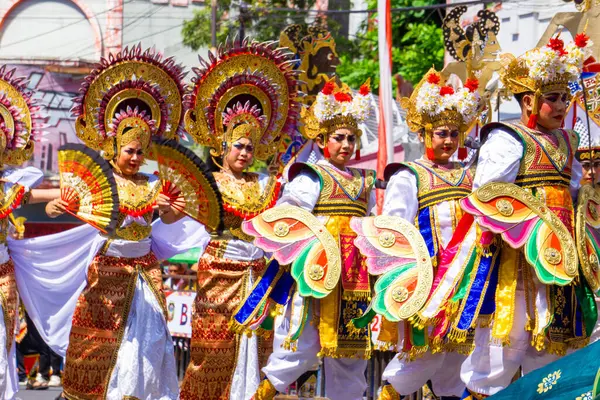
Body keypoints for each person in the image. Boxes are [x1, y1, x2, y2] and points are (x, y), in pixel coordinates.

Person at [9, 45, 208, 400]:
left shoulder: (153, 183)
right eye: (129, 150)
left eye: (140, 151)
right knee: (103, 347)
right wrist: (56, 206)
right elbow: (82, 207)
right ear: (114, 148)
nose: (134, 157)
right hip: (107, 272)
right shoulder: (102, 182)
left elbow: (170, 217)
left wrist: (174, 207)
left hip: (146, 273)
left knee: (150, 343)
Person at [459, 33, 597, 398]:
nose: (562, 105)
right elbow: (486, 195)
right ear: (528, 101)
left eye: (565, 98)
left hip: (562, 260)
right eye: (552, 99)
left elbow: (574, 194)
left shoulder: (568, 142)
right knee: (506, 344)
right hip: (515, 259)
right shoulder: (507, 138)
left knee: (556, 344)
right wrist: (531, 222)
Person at [178, 37, 300, 400]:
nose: (245, 153)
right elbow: (186, 213)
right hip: (220, 272)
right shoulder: (208, 182)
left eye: (250, 146)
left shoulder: (266, 184)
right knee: (212, 352)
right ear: (223, 146)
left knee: (257, 349)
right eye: (238, 146)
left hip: (258, 275)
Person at [251, 80, 376, 400]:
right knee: (301, 348)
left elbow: (373, 224)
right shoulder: (311, 175)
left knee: (350, 357)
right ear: (322, 140)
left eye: (351, 138)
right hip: (317, 274)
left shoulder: (365, 179)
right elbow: (288, 220)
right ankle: (259, 395)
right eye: (339, 138)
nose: (346, 144)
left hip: (355, 279)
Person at [374, 69, 483, 399]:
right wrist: (406, 280)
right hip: (430, 282)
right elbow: (395, 230)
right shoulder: (409, 176)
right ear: (423, 134)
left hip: (467, 280)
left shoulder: (469, 177)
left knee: (459, 357)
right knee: (424, 355)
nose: (448, 141)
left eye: (453, 133)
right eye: (440, 133)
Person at [0, 66, 62, 399]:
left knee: (2, 347)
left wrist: (70, 195)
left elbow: (35, 195)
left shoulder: (7, 190)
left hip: (3, 272)